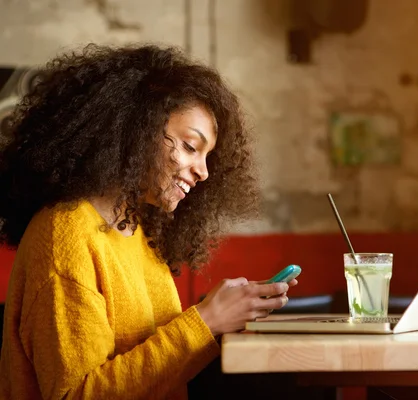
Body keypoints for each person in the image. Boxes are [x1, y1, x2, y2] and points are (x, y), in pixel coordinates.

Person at [0, 43, 297, 399]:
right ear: (135, 130)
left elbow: (154, 365)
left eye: (207, 156)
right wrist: (205, 320)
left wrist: (220, 317)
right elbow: (76, 394)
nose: (203, 172)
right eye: (190, 146)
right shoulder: (64, 235)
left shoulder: (134, 229)